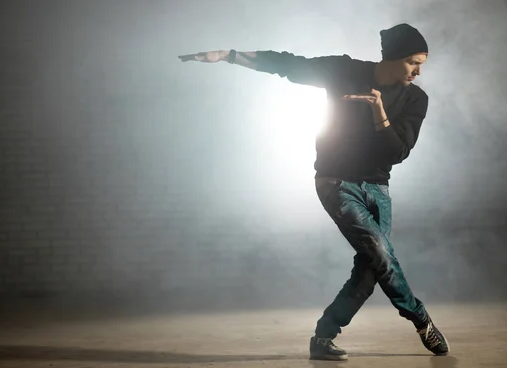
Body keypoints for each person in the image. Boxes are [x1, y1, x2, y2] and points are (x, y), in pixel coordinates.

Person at [178, 23, 449, 361]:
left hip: (378, 188)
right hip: (337, 183)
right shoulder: (345, 70)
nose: (418, 71)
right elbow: (289, 64)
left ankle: (323, 337)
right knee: (382, 255)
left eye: (421, 63)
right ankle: (421, 319)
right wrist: (229, 56)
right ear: (394, 58)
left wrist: (378, 110)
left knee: (369, 271)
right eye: (413, 62)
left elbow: (396, 154)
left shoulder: (415, 99)